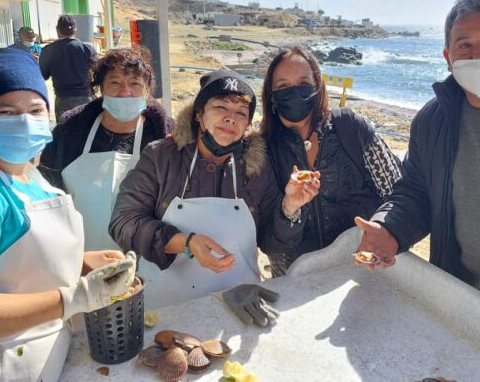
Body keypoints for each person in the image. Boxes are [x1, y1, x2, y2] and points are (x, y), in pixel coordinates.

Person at [0, 48, 136, 381]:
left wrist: (81, 261)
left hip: (48, 357)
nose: (24, 120)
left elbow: (14, 262)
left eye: (36, 109)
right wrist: (73, 298)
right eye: (7, 111)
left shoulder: (26, 173)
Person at [109, 69, 318, 309]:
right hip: (166, 308)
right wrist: (186, 243)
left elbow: (272, 244)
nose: (231, 118)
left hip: (239, 305)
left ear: (248, 124)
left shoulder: (256, 167)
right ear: (199, 114)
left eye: (241, 113)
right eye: (221, 107)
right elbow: (123, 222)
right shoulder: (161, 157)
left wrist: (290, 207)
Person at [356, 0, 480, 290]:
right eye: (465, 46)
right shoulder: (432, 120)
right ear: (449, 58)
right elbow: (416, 191)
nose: (477, 56)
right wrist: (390, 227)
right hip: (459, 293)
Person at [261, 47, 402, 276]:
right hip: (297, 281)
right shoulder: (262, 151)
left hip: (363, 272)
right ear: (271, 95)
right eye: (283, 86)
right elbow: (267, 241)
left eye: (303, 82)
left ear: (317, 86)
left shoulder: (350, 128)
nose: (294, 92)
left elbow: (399, 194)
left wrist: (387, 231)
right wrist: (290, 208)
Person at [39, 48, 174, 251]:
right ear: (101, 88)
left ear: (147, 91)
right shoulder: (70, 132)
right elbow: (47, 189)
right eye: (115, 82)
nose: (125, 92)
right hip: (80, 254)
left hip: (145, 256)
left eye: (135, 84)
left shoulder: (164, 138)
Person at [39, 15, 96, 121]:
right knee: (87, 132)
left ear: (57, 30)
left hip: (63, 99)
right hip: (86, 97)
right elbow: (98, 72)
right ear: (75, 30)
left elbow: (43, 75)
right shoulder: (87, 49)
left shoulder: (48, 50)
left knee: (64, 133)